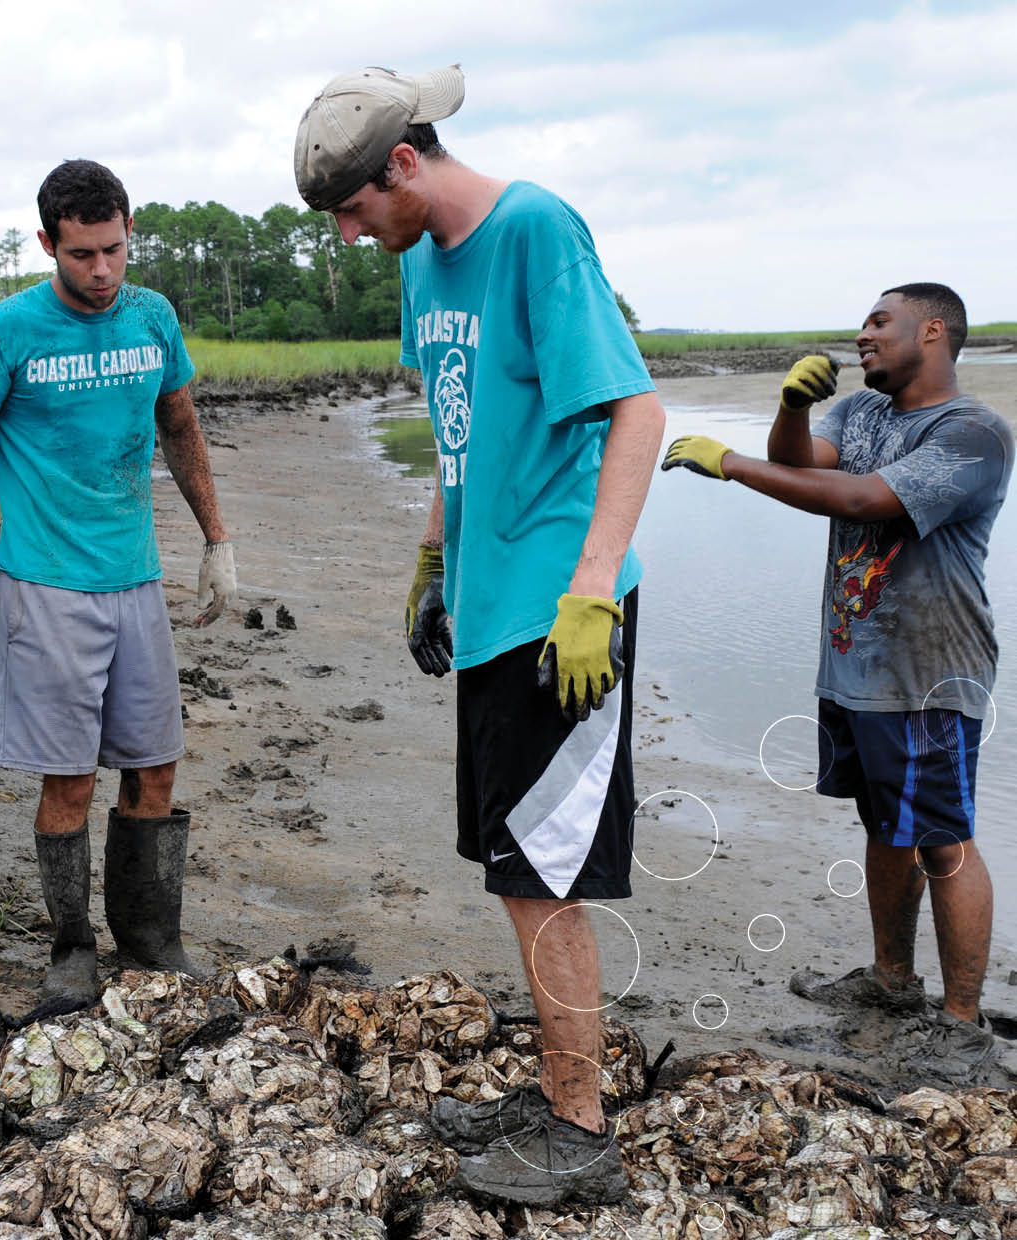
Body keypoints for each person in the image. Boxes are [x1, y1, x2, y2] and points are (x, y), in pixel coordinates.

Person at [295, 65, 665, 1207]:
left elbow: (636, 414)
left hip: (562, 615)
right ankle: (559, 1088)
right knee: (514, 872)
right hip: (489, 602)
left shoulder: (535, 230)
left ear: (403, 163)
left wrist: (592, 586)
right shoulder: (422, 262)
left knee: (546, 874)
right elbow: (456, 432)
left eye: (357, 209)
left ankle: (580, 1131)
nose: (355, 235)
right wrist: (427, 561)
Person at [662, 283, 1011, 1084]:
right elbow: (805, 462)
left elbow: (863, 498)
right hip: (857, 666)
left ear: (934, 331)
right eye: (861, 323)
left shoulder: (972, 432)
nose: (862, 335)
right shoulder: (862, 416)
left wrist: (732, 463)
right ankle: (892, 982)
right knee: (883, 824)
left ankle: (961, 1026)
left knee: (942, 837)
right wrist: (787, 410)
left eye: (879, 322)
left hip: (929, 672)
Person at [0, 159, 237, 1009]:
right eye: (82, 256)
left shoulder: (152, 316)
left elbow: (179, 423)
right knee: (67, 779)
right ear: (48, 245)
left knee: (156, 768)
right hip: (47, 586)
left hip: (134, 581)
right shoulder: (5, 330)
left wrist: (217, 541)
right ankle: (72, 949)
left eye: (114, 249)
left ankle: (150, 940)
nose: (102, 271)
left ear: (129, 231)